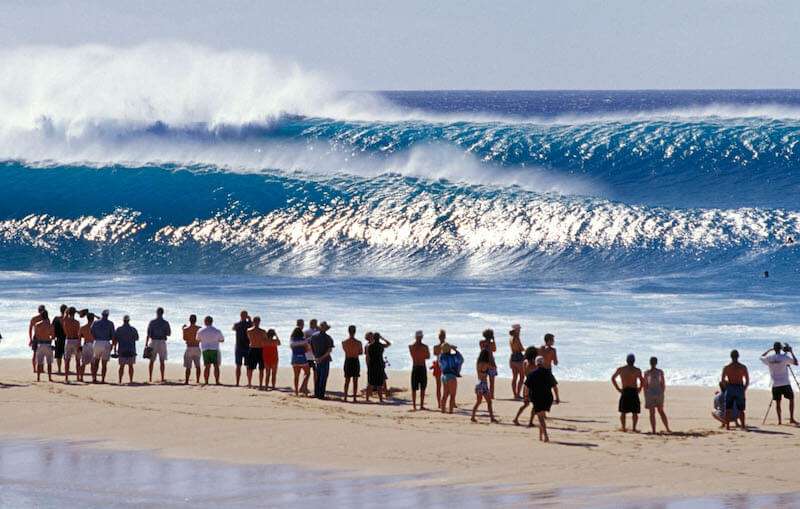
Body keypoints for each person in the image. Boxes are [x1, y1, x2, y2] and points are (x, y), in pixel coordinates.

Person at [760, 342, 798, 425]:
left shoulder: (769, 358)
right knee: (791, 399)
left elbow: (761, 357)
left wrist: (769, 350)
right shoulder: (785, 358)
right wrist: (791, 352)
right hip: (785, 383)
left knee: (778, 402)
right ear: (780, 348)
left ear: (774, 348)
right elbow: (796, 363)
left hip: (775, 384)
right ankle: (791, 418)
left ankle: (779, 421)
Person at [525, 356, 558, 442]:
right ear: (543, 363)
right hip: (548, 398)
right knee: (542, 416)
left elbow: (526, 387)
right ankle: (540, 436)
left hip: (537, 398)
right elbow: (554, 386)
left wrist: (526, 397)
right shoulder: (548, 373)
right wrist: (557, 397)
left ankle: (546, 436)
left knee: (540, 417)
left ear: (536, 363)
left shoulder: (531, 374)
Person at [611, 354, 644, 432]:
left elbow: (613, 378)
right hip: (633, 391)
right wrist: (640, 388)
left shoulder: (621, 369)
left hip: (625, 390)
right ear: (634, 361)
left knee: (623, 411)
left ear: (627, 360)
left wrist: (618, 388)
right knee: (634, 412)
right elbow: (642, 381)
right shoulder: (637, 370)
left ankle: (623, 427)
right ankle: (633, 428)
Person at [721, 349, 749, 430]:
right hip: (739, 387)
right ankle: (743, 426)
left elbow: (722, 380)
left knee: (728, 409)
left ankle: (727, 426)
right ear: (738, 356)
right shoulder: (742, 367)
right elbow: (747, 380)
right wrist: (744, 388)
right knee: (741, 409)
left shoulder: (726, 367)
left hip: (730, 387)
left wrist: (726, 388)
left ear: (731, 357)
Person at [643, 357, 672, 434]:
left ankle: (653, 430)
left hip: (650, 393)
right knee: (661, 411)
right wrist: (662, 392)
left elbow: (645, 385)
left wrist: (646, 395)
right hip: (659, 393)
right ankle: (667, 428)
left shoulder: (647, 372)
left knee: (652, 413)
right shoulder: (660, 372)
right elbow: (663, 384)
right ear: (656, 363)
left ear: (650, 363)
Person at [513, 346, 540, 426]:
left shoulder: (525, 362)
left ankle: (516, 418)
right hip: (533, 386)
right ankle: (530, 422)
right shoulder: (534, 364)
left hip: (526, 384)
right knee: (535, 404)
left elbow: (526, 373)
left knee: (526, 404)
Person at [471, 349, 498, 423]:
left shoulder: (478, 363)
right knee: (489, 402)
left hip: (478, 383)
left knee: (478, 402)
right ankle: (492, 418)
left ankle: (473, 416)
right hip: (483, 384)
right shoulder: (486, 364)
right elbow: (493, 368)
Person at [146, 307, 171, 384]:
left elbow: (148, 334)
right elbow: (169, 333)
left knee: (151, 361)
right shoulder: (165, 323)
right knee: (162, 361)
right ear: (163, 313)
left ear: (156, 313)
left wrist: (146, 344)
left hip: (153, 341)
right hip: (162, 341)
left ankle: (150, 377)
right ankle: (162, 377)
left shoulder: (152, 322)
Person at [310, 321, 335, 399]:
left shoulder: (313, 336)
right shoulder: (328, 337)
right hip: (324, 359)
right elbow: (329, 350)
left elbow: (311, 347)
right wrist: (321, 358)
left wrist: (315, 357)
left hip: (316, 359)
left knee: (318, 377)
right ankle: (321, 395)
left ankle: (317, 393)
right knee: (323, 378)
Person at [112, 315, 138, 385]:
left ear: (123, 320)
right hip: (131, 349)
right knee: (131, 366)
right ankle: (131, 380)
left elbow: (115, 340)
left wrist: (114, 349)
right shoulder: (133, 329)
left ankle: (120, 380)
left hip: (122, 350)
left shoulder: (119, 329)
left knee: (121, 366)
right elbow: (136, 338)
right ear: (129, 320)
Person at [91, 310, 115, 384]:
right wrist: (113, 346)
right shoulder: (110, 323)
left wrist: (95, 338)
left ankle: (94, 378)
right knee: (104, 363)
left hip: (97, 342)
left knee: (96, 361)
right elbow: (113, 336)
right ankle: (103, 379)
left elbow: (91, 331)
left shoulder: (95, 322)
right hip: (106, 342)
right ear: (107, 315)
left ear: (102, 314)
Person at [198, 316, 224, 385]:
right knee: (216, 366)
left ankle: (206, 381)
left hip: (205, 349)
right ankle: (217, 381)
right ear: (212, 322)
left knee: (207, 366)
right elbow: (222, 340)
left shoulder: (201, 330)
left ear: (205, 321)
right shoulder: (217, 330)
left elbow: (198, 339)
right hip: (214, 349)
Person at [366, 332, 391, 403]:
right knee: (380, 384)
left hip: (372, 365)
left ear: (373, 338)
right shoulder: (381, 345)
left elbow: (368, 357)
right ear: (378, 338)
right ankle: (381, 399)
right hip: (379, 365)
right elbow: (389, 344)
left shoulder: (369, 346)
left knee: (370, 383)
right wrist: (382, 338)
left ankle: (367, 398)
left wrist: (368, 365)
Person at [409, 330, 431, 411]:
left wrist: (420, 355)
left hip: (416, 367)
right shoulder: (424, 347)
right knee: (420, 387)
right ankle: (419, 405)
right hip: (421, 366)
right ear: (421, 337)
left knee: (418, 387)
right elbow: (427, 356)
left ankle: (416, 405)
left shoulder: (411, 347)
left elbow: (415, 356)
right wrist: (422, 354)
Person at [439, 343, 463, 414]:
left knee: (445, 394)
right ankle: (450, 411)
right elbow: (461, 359)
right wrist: (455, 350)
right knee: (452, 395)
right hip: (451, 376)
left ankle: (443, 410)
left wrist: (448, 348)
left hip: (443, 376)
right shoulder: (452, 357)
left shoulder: (441, 357)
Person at [341, 325, 363, 403]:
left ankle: (345, 397)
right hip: (355, 361)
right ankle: (354, 398)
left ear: (348, 331)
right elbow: (360, 352)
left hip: (348, 360)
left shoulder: (344, 342)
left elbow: (345, 350)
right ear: (355, 331)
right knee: (355, 380)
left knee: (347, 380)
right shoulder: (359, 342)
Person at [246, 316, 268, 389]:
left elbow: (249, 338)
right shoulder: (263, 331)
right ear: (259, 322)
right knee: (259, 368)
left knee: (251, 368)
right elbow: (265, 340)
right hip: (259, 349)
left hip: (253, 348)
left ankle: (249, 383)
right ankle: (260, 385)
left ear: (253, 322)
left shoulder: (249, 330)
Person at [32, 310, 55, 382]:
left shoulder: (37, 324)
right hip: (48, 343)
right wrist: (50, 338)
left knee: (39, 362)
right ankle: (49, 377)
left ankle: (38, 378)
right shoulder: (50, 325)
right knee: (49, 362)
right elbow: (53, 336)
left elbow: (36, 335)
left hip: (40, 344)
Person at [290, 319, 310, 396]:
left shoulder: (292, 340)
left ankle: (296, 392)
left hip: (294, 358)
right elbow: (307, 349)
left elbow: (291, 348)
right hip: (302, 358)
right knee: (307, 373)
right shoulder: (304, 340)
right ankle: (303, 387)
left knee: (296, 376)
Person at [232, 311, 252, 387]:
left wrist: (249, 320)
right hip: (243, 347)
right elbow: (253, 326)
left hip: (242, 347)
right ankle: (243, 382)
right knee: (241, 366)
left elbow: (233, 328)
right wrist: (249, 320)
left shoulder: (238, 324)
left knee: (242, 366)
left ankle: (240, 383)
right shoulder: (248, 324)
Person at [62, 307, 81, 383]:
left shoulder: (65, 321)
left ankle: (66, 377)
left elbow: (64, 316)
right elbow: (79, 334)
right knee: (77, 360)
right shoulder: (77, 322)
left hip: (68, 340)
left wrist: (67, 311)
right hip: (76, 340)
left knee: (67, 360)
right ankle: (77, 377)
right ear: (74, 313)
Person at [540, 333, 560, 404]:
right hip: (548, 370)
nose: (554, 341)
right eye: (553, 340)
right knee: (553, 384)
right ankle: (557, 398)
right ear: (549, 341)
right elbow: (555, 362)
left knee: (542, 385)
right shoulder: (553, 350)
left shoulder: (541, 348)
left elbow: (537, 359)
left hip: (541, 369)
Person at [182, 315, 202, 385]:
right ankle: (197, 380)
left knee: (188, 367)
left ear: (189, 320)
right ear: (195, 320)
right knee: (198, 366)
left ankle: (187, 381)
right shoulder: (199, 328)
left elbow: (184, 338)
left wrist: (183, 329)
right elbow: (201, 338)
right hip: (197, 347)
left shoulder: (186, 329)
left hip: (189, 347)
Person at [479, 329, 497, 399]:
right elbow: (494, 349)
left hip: (483, 362)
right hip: (491, 362)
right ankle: (491, 395)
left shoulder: (481, 342)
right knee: (492, 381)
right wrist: (493, 340)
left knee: (484, 380)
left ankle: (485, 394)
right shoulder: (491, 343)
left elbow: (482, 348)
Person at [509, 324, 525, 399]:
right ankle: (518, 394)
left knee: (514, 377)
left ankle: (515, 394)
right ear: (516, 330)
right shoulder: (517, 338)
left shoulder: (511, 338)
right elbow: (521, 348)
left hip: (512, 357)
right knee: (522, 376)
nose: (520, 331)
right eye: (519, 329)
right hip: (518, 357)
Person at [78, 312, 95, 382]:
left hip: (86, 344)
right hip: (93, 345)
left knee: (84, 362)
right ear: (93, 318)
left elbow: (79, 338)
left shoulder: (83, 327)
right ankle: (94, 378)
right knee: (93, 363)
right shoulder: (95, 327)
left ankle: (81, 377)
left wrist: (79, 347)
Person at [28, 305, 46, 373]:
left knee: (39, 354)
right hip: (39, 337)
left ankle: (38, 369)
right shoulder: (43, 319)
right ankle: (36, 369)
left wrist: (30, 339)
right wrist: (30, 339)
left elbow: (30, 329)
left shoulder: (34, 318)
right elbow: (30, 329)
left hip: (38, 337)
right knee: (37, 354)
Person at [431, 329, 446, 409]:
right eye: (441, 336)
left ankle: (440, 403)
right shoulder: (447, 346)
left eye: (442, 336)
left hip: (439, 365)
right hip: (443, 366)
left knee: (441, 386)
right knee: (442, 386)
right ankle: (440, 403)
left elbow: (436, 354)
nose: (441, 337)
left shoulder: (436, 347)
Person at [52, 304, 67, 374]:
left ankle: (59, 369)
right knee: (66, 355)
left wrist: (52, 337)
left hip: (58, 338)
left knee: (59, 355)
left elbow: (52, 328)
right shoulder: (67, 319)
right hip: (66, 338)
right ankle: (66, 368)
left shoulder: (56, 318)